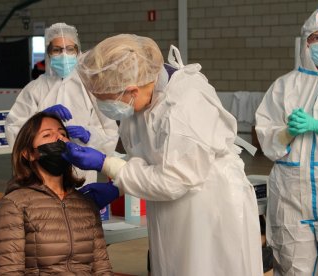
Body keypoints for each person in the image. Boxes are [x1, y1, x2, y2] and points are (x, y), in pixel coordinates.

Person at [62, 34, 263, 275]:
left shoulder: (184, 105)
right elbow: (153, 160)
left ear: (132, 90)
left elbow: (172, 179)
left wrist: (108, 165)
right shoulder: (140, 103)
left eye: (107, 101)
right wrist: (118, 186)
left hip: (208, 210)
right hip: (175, 208)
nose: (107, 108)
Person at [255, 8, 318, 275]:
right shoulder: (284, 86)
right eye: (316, 38)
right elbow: (266, 134)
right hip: (290, 195)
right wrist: (287, 133)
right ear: (305, 44)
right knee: (291, 266)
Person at [0, 112, 114, 275]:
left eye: (63, 134)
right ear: (29, 153)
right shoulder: (13, 205)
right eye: (47, 135)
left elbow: (102, 268)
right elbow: (8, 272)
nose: (59, 138)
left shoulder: (86, 205)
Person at [5, 22, 119, 183]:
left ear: (78, 52)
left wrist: (89, 136)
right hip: (42, 172)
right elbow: (14, 128)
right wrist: (42, 117)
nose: (64, 54)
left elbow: (110, 133)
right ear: (49, 53)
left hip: (82, 173)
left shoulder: (90, 89)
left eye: (69, 49)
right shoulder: (35, 89)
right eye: (57, 50)